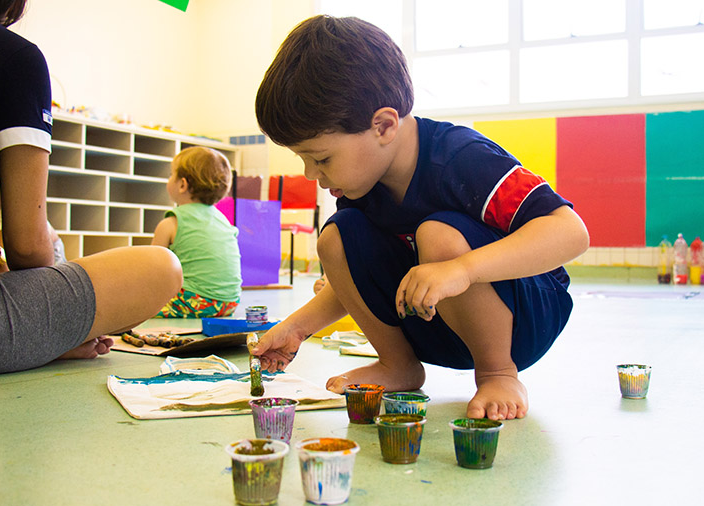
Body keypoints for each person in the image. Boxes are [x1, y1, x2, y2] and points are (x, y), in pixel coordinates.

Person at [251, 15, 589, 420]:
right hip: (437, 323)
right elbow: (354, 280)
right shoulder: (363, 186)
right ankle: (398, 365)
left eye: (321, 158)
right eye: (303, 159)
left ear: (383, 126)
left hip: (525, 319)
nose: (311, 174)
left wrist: (462, 270)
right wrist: (298, 327)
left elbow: (571, 233)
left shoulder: (462, 157)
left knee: (438, 234)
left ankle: (498, 373)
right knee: (336, 238)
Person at [0, 0, 182, 379]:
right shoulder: (10, 57)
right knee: (161, 267)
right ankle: (46, 341)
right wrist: (55, 326)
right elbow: (28, 249)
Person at [151, 146, 242, 318]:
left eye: (171, 175)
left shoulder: (171, 223)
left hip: (194, 301)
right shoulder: (222, 219)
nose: (169, 179)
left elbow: (152, 270)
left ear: (182, 185)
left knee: (134, 305)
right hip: (229, 303)